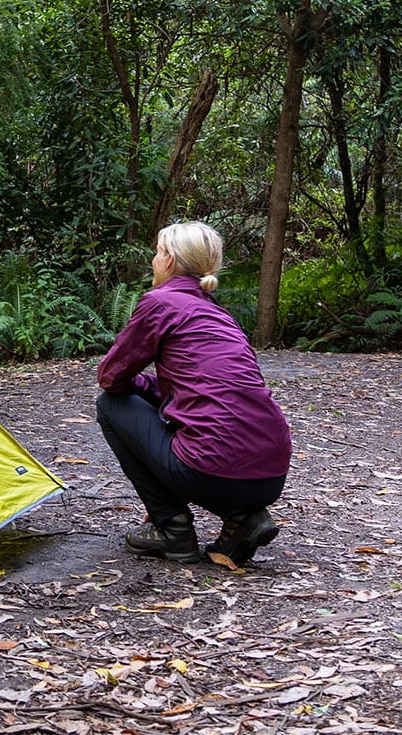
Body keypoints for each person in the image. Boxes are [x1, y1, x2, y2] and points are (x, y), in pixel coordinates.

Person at [95, 222, 292, 567]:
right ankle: (243, 519)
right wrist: (155, 392)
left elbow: (111, 377)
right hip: (272, 472)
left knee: (111, 405)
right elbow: (205, 388)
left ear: (169, 260)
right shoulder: (217, 312)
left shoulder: (160, 302)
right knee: (184, 422)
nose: (154, 261)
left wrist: (142, 389)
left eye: (157, 253)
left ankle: (172, 528)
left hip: (212, 470)